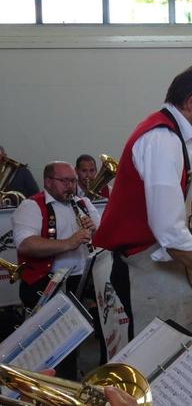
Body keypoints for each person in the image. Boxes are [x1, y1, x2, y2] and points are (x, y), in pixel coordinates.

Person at [93, 65, 192, 340]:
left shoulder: (169, 133)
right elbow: (168, 231)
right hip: (144, 267)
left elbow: (162, 217)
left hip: (153, 258)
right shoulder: (162, 139)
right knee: (163, 352)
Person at [12, 161, 100, 378]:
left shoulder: (83, 203)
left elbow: (103, 237)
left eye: (73, 181)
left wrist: (95, 230)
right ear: (48, 182)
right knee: (58, 345)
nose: (70, 186)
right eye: (64, 181)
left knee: (98, 328)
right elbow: (26, 244)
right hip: (47, 283)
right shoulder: (31, 206)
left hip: (83, 280)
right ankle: (60, 382)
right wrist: (69, 243)